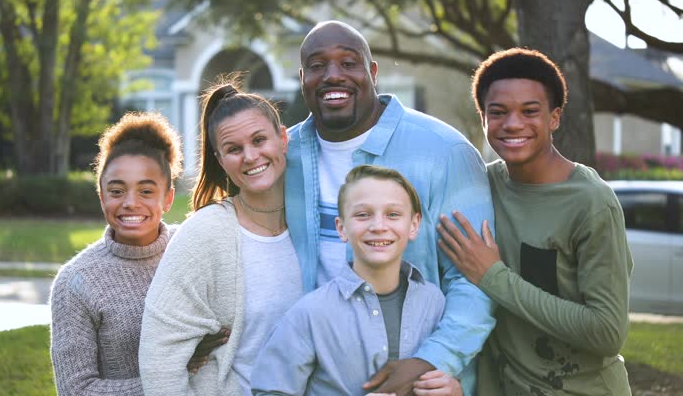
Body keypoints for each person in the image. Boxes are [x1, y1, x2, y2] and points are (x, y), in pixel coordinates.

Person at [284, 20, 496, 395]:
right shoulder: (284, 155)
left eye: (349, 63)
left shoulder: (444, 151)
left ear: (373, 72)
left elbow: (475, 281)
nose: (333, 75)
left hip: (417, 384)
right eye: (317, 65)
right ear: (303, 77)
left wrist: (430, 361)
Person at [437, 47, 633, 395]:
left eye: (530, 111)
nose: (513, 124)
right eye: (498, 112)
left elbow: (607, 332)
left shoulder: (591, 203)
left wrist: (492, 276)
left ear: (554, 118)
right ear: (483, 118)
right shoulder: (482, 188)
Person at [138, 82, 304, 395]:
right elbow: (159, 355)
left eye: (259, 140)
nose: (251, 156)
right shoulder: (206, 233)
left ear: (283, 139)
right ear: (221, 158)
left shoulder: (309, 225)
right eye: (234, 149)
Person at [251, 165, 462, 396]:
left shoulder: (435, 302)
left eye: (393, 214)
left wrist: (455, 391)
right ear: (342, 228)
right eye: (363, 215)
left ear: (413, 225)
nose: (379, 226)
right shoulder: (311, 314)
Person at [49, 111, 182, 395]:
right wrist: (170, 383)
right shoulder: (76, 282)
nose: (131, 203)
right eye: (117, 191)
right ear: (101, 196)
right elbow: (76, 390)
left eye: (146, 191)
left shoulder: (191, 249)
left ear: (168, 198)